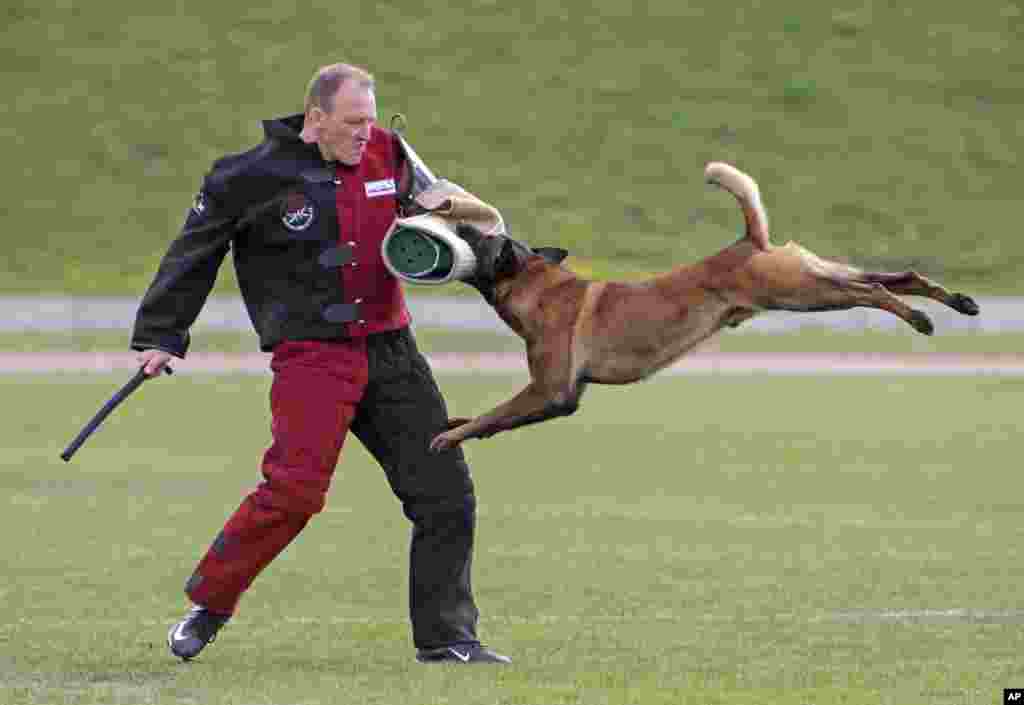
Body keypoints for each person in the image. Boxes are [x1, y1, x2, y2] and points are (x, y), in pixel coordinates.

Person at [132, 63, 510, 665]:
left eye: (370, 120)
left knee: (446, 495)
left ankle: (447, 640)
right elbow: (193, 254)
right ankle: (210, 604)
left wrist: (490, 247)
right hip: (311, 356)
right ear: (316, 118)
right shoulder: (246, 177)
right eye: (354, 122)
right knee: (294, 496)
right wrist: (160, 335)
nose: (367, 134)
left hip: (392, 352)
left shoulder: (391, 152)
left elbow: (443, 216)